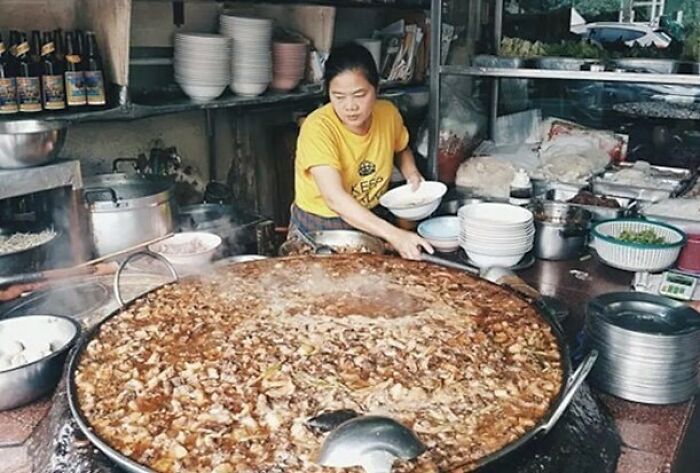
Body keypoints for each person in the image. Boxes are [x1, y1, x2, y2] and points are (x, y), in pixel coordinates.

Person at [290, 42, 433, 260]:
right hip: (320, 226)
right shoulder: (317, 128)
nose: (350, 106)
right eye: (339, 96)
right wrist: (394, 234)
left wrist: (412, 175)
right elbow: (335, 198)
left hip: (368, 218)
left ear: (376, 89)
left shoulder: (388, 114)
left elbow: (400, 148)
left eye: (359, 95)